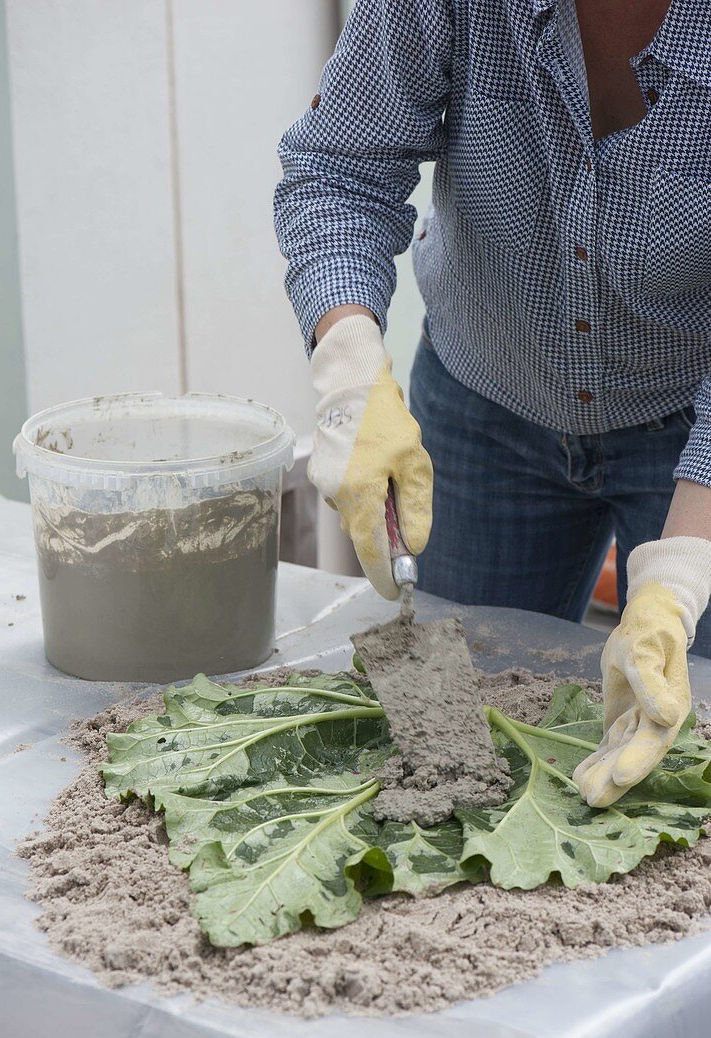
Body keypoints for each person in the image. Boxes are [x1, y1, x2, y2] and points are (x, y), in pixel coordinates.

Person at [273, 0, 711, 807]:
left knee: (679, 758)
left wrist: (683, 569)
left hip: (691, 425)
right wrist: (349, 376)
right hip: (486, 400)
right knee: (446, 741)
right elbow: (338, 172)